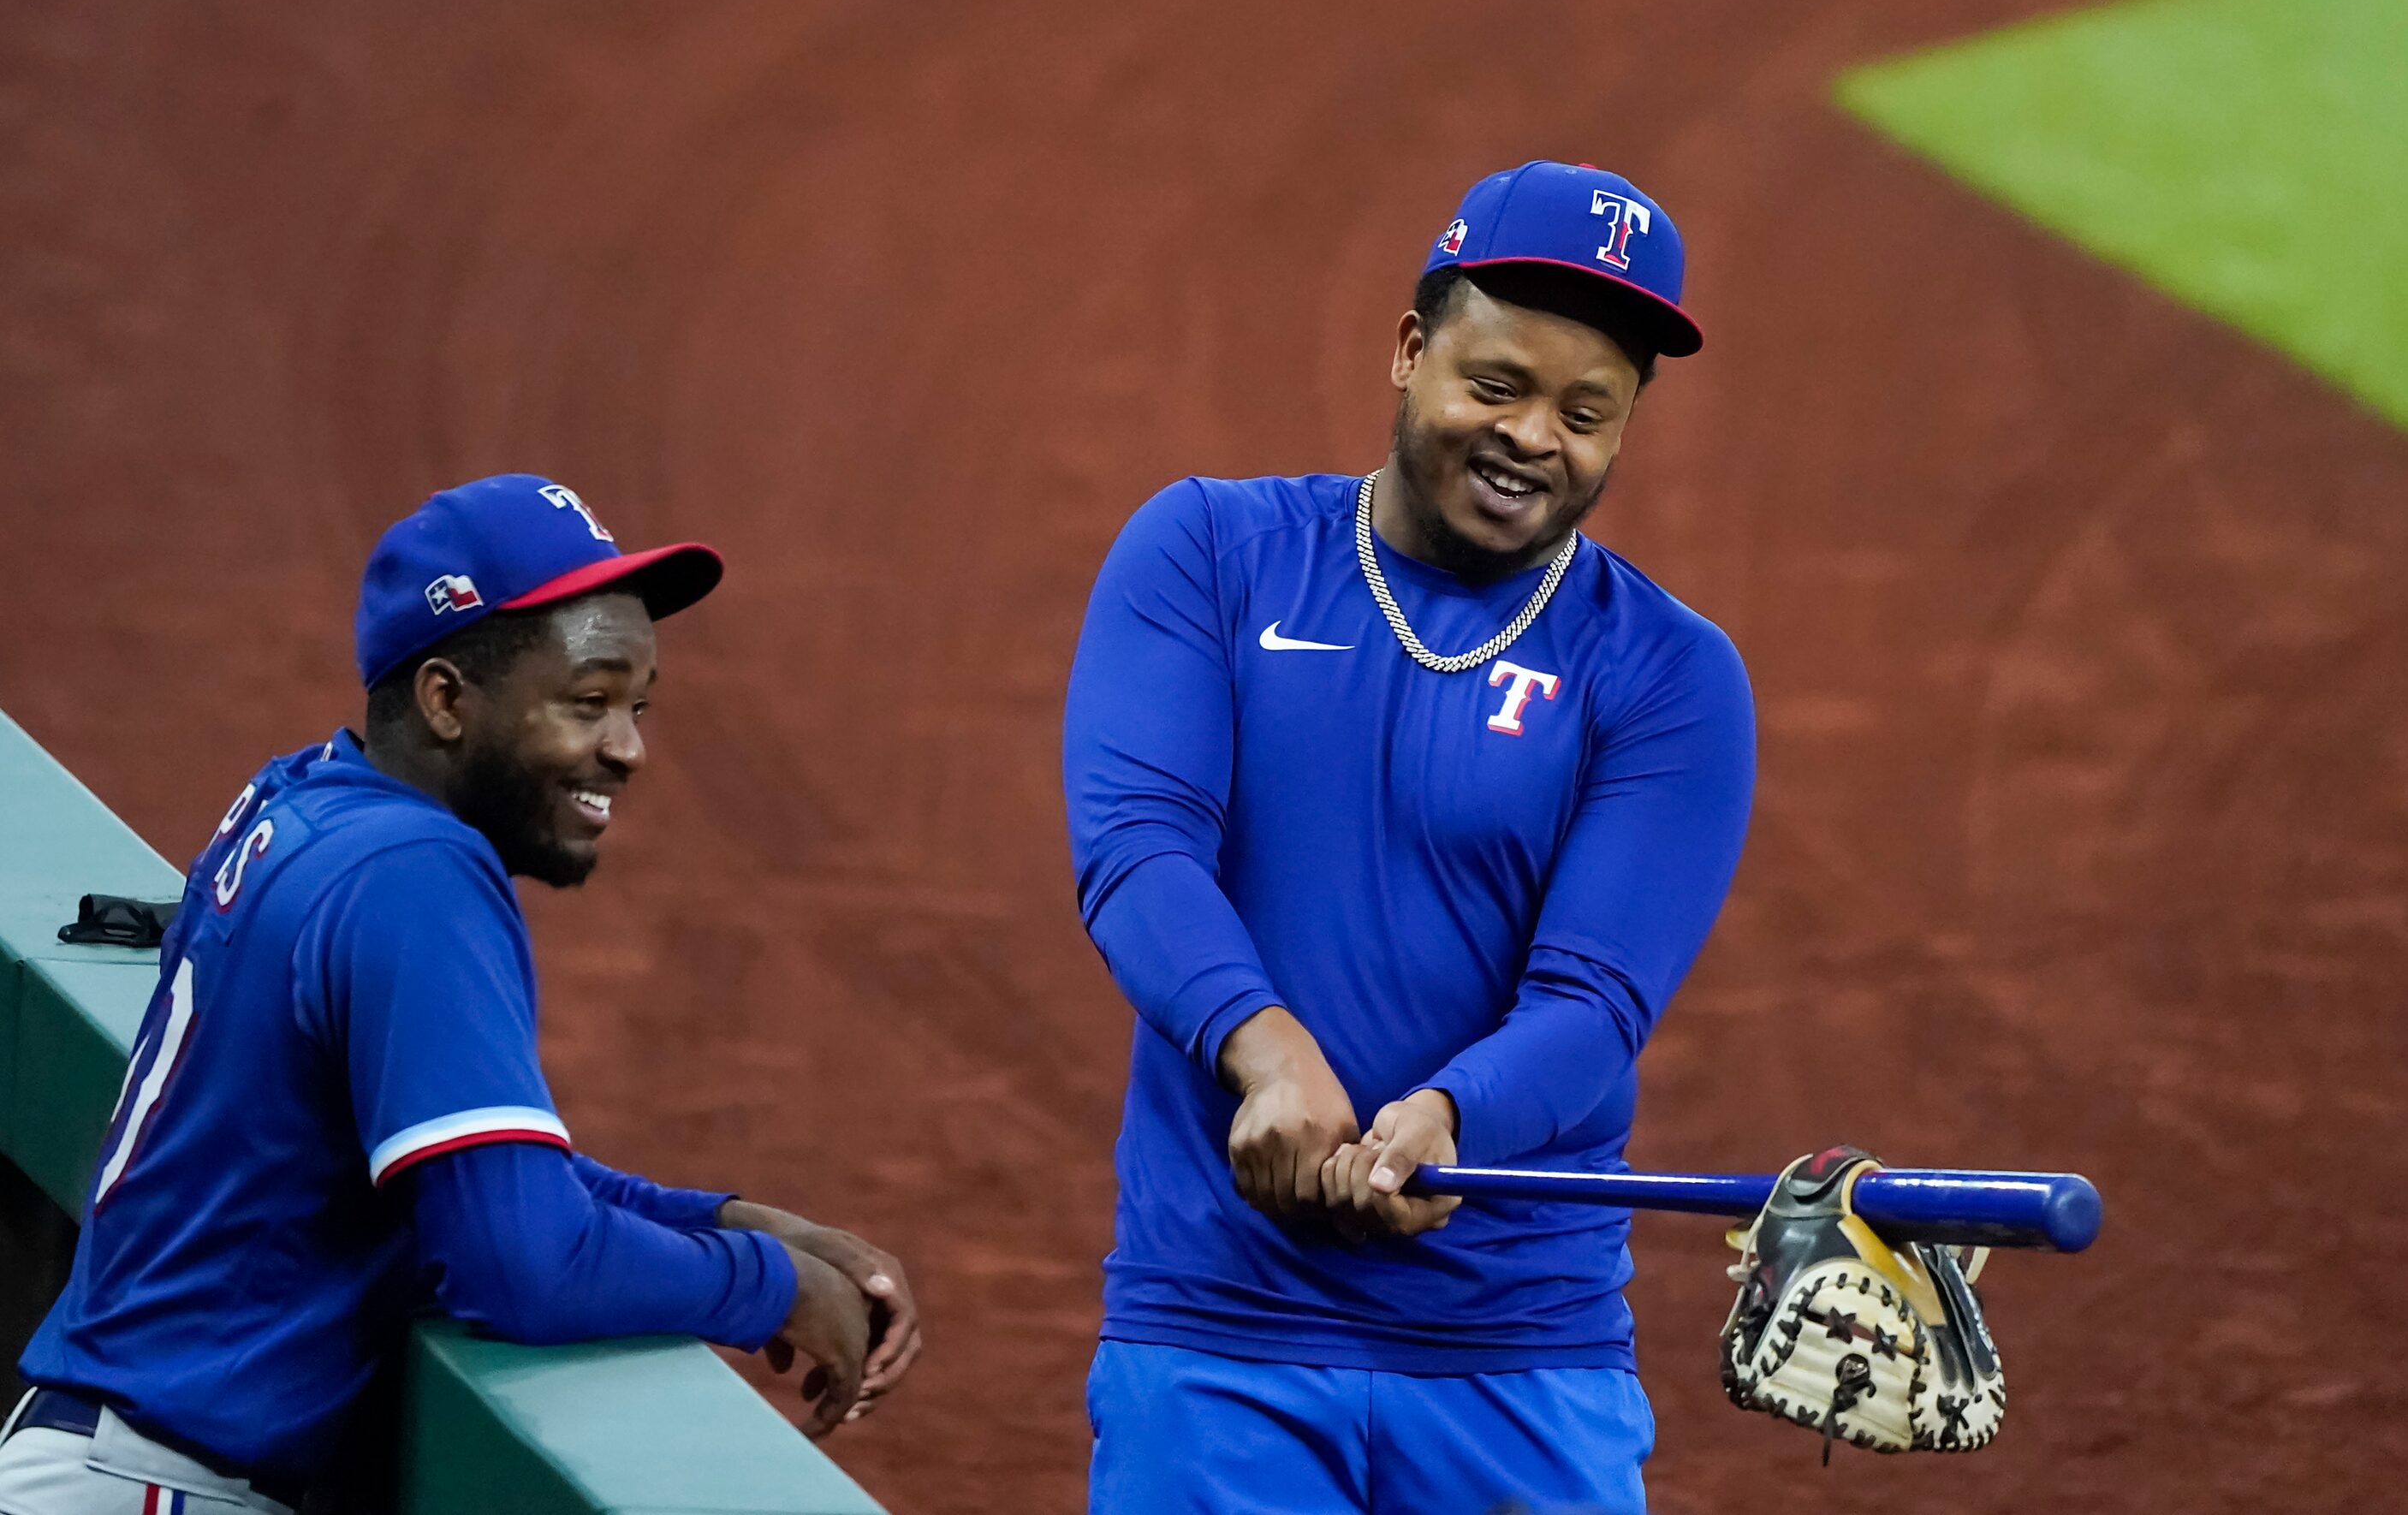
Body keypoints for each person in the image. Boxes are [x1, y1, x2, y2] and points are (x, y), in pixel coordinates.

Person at [1, 474, 919, 1513]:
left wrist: (729, 1218)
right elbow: (517, 1260)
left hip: (102, 1459)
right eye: (587, 703)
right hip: (156, 1485)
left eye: (637, 705)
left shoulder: (306, 805)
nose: (626, 748)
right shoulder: (415, 879)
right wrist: (769, 1288)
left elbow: (474, 1174)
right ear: (446, 699)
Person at [1063, 161, 1755, 1513]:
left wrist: (1444, 1117)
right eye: (1495, 386)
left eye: (1585, 413)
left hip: (1517, 1351)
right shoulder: (1209, 550)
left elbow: (1595, 996)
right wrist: (1264, 1052)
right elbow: (1140, 846)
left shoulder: (1670, 673)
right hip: (1221, 1328)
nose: (1531, 439)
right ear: (1406, 349)